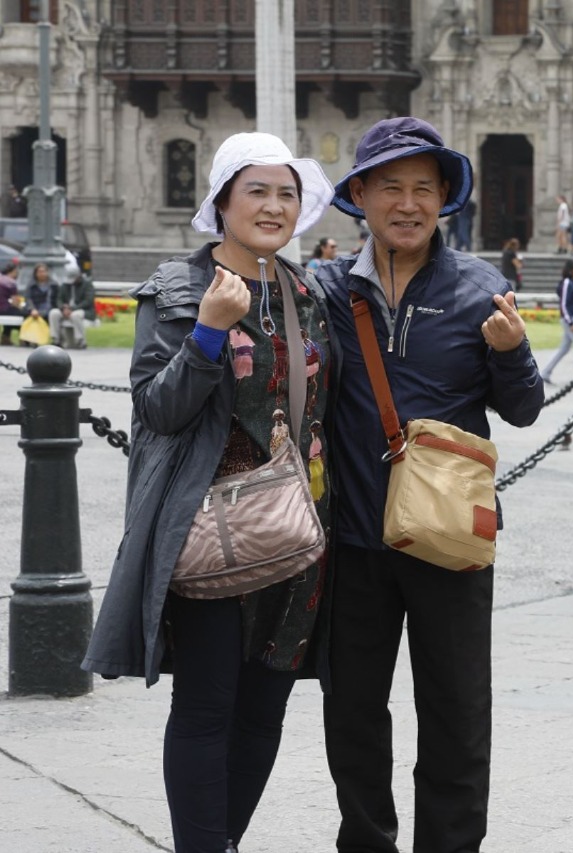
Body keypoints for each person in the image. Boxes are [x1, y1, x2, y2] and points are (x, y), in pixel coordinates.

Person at [81, 132, 337, 853]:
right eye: (256, 190)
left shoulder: (305, 290)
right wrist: (207, 336)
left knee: (265, 708)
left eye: (287, 193)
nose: (274, 205)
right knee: (206, 707)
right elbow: (159, 411)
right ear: (221, 200)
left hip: (298, 535)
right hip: (210, 533)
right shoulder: (177, 290)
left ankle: (220, 841)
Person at [314, 116, 544, 853]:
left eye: (423, 188)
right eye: (391, 187)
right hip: (353, 536)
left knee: (454, 712)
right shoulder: (324, 289)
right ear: (359, 196)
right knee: (352, 709)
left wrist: (509, 354)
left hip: (451, 536)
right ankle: (367, 840)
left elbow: (525, 406)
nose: (407, 203)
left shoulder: (481, 287)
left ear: (445, 197)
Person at [541, 256, 573, 382]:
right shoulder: (567, 283)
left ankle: (546, 372)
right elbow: (564, 304)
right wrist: (570, 322)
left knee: (564, 348)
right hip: (571, 319)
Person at [50, 264, 95, 349]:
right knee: (54, 313)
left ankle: (80, 341)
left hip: (82, 310)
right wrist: (63, 307)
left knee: (75, 315)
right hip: (66, 309)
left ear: (79, 276)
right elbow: (59, 299)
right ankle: (56, 339)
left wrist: (72, 309)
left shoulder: (87, 285)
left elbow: (88, 301)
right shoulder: (65, 285)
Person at [0, 258, 20, 345]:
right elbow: (15, 302)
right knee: (20, 313)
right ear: (13, 271)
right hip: (4, 308)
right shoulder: (11, 282)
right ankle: (7, 336)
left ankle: (5, 336)